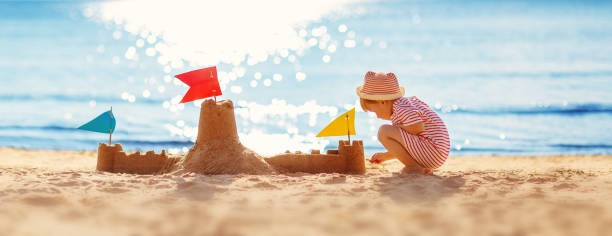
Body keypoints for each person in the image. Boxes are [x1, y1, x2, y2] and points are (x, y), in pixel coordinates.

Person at [357, 71, 450, 174]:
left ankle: (414, 168)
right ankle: (418, 167)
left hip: (432, 150)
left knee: (383, 131)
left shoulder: (399, 106)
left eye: (374, 111)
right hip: (436, 152)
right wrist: (385, 156)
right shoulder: (406, 104)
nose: (377, 116)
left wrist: (398, 128)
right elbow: (409, 145)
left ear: (382, 102)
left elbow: (418, 127)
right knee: (388, 131)